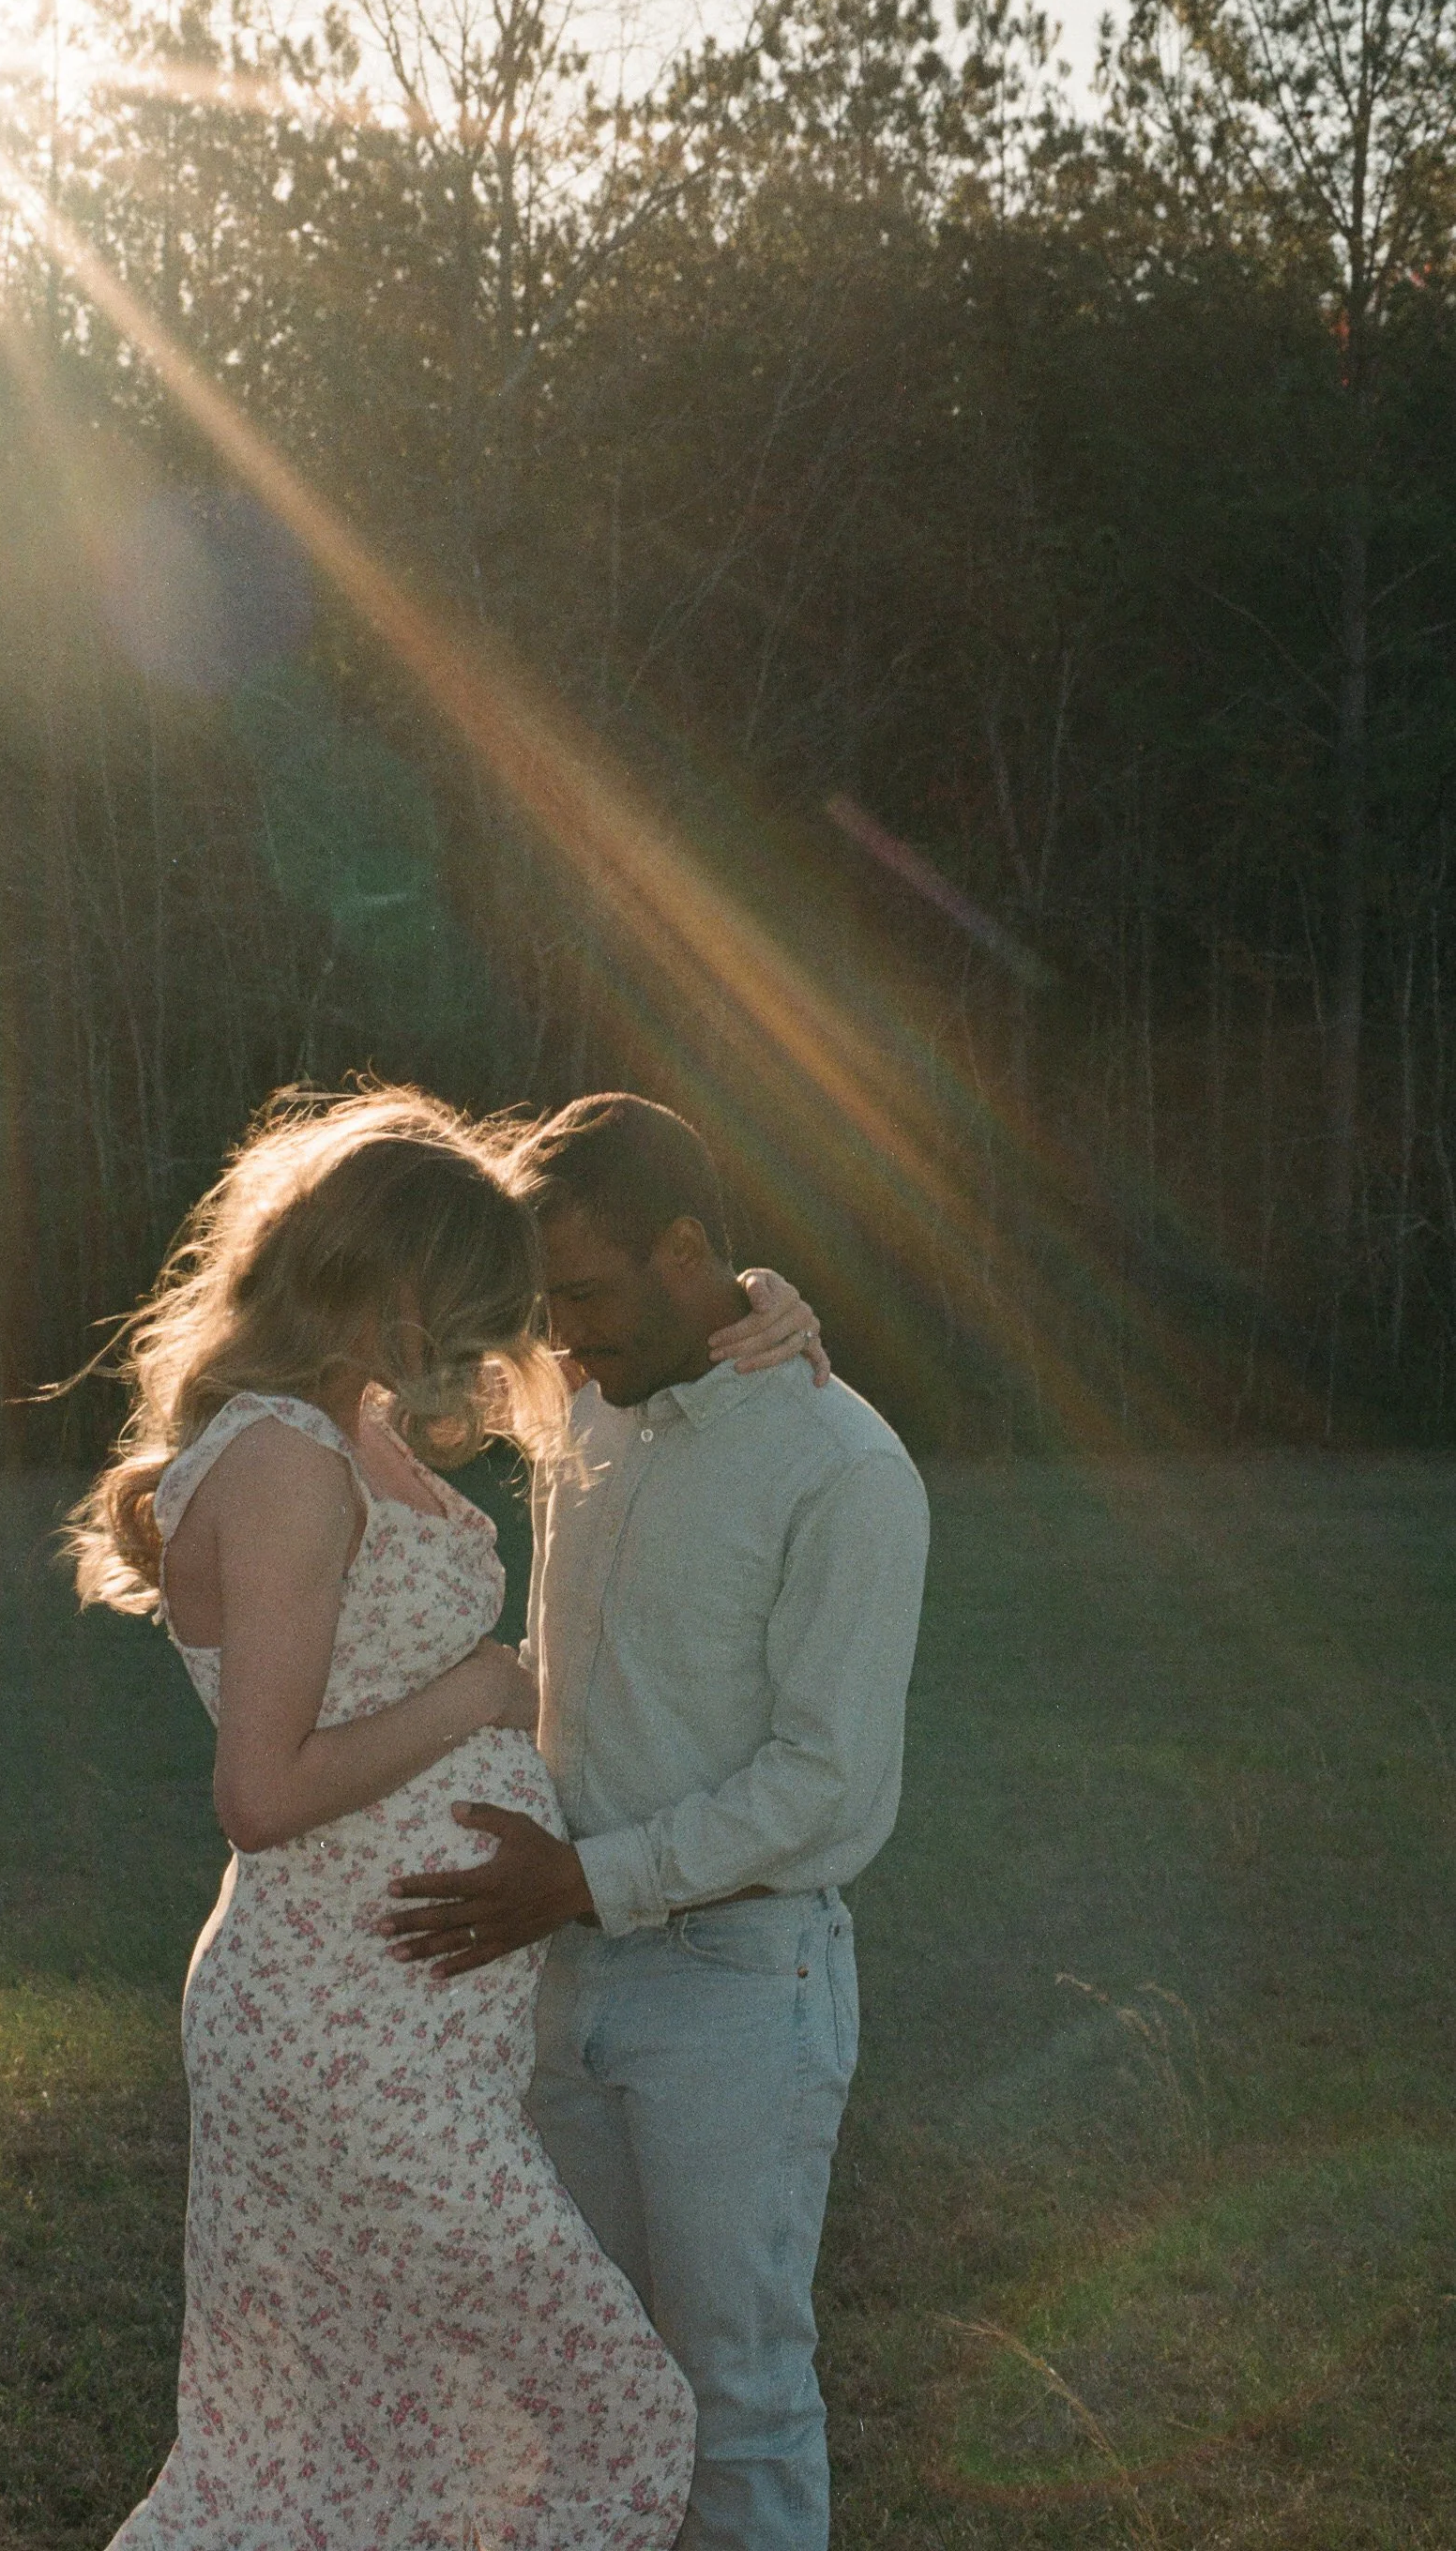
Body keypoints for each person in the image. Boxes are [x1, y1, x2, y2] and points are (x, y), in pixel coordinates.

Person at [70, 1085, 821, 2551]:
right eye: (480, 1313)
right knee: (611, 2408)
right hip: (343, 2039)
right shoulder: (286, 1458)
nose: (501, 1353)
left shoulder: (324, 1429)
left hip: (397, 2021)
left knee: (364, 2444)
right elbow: (259, 1790)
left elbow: (624, 1391)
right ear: (394, 1290)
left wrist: (766, 1304)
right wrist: (478, 1694)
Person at [383, 1093, 929, 2551]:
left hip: (737, 1993)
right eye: (542, 1302)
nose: (556, 1338)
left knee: (734, 2398)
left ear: (689, 1250)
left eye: (584, 1294)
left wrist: (582, 1880)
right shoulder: (589, 1415)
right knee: (582, 2385)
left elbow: (821, 1778)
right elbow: (361, 1394)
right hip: (558, 1978)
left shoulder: (841, 1468)